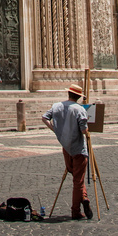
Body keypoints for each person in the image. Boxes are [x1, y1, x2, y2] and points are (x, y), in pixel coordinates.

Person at [42, 83, 93, 221]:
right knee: (78, 179)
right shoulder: (79, 109)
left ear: (68, 94)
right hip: (79, 149)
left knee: (75, 175)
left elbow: (44, 117)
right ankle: (75, 211)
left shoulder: (57, 106)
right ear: (78, 97)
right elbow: (83, 130)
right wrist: (88, 129)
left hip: (66, 148)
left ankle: (84, 197)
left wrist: (55, 130)